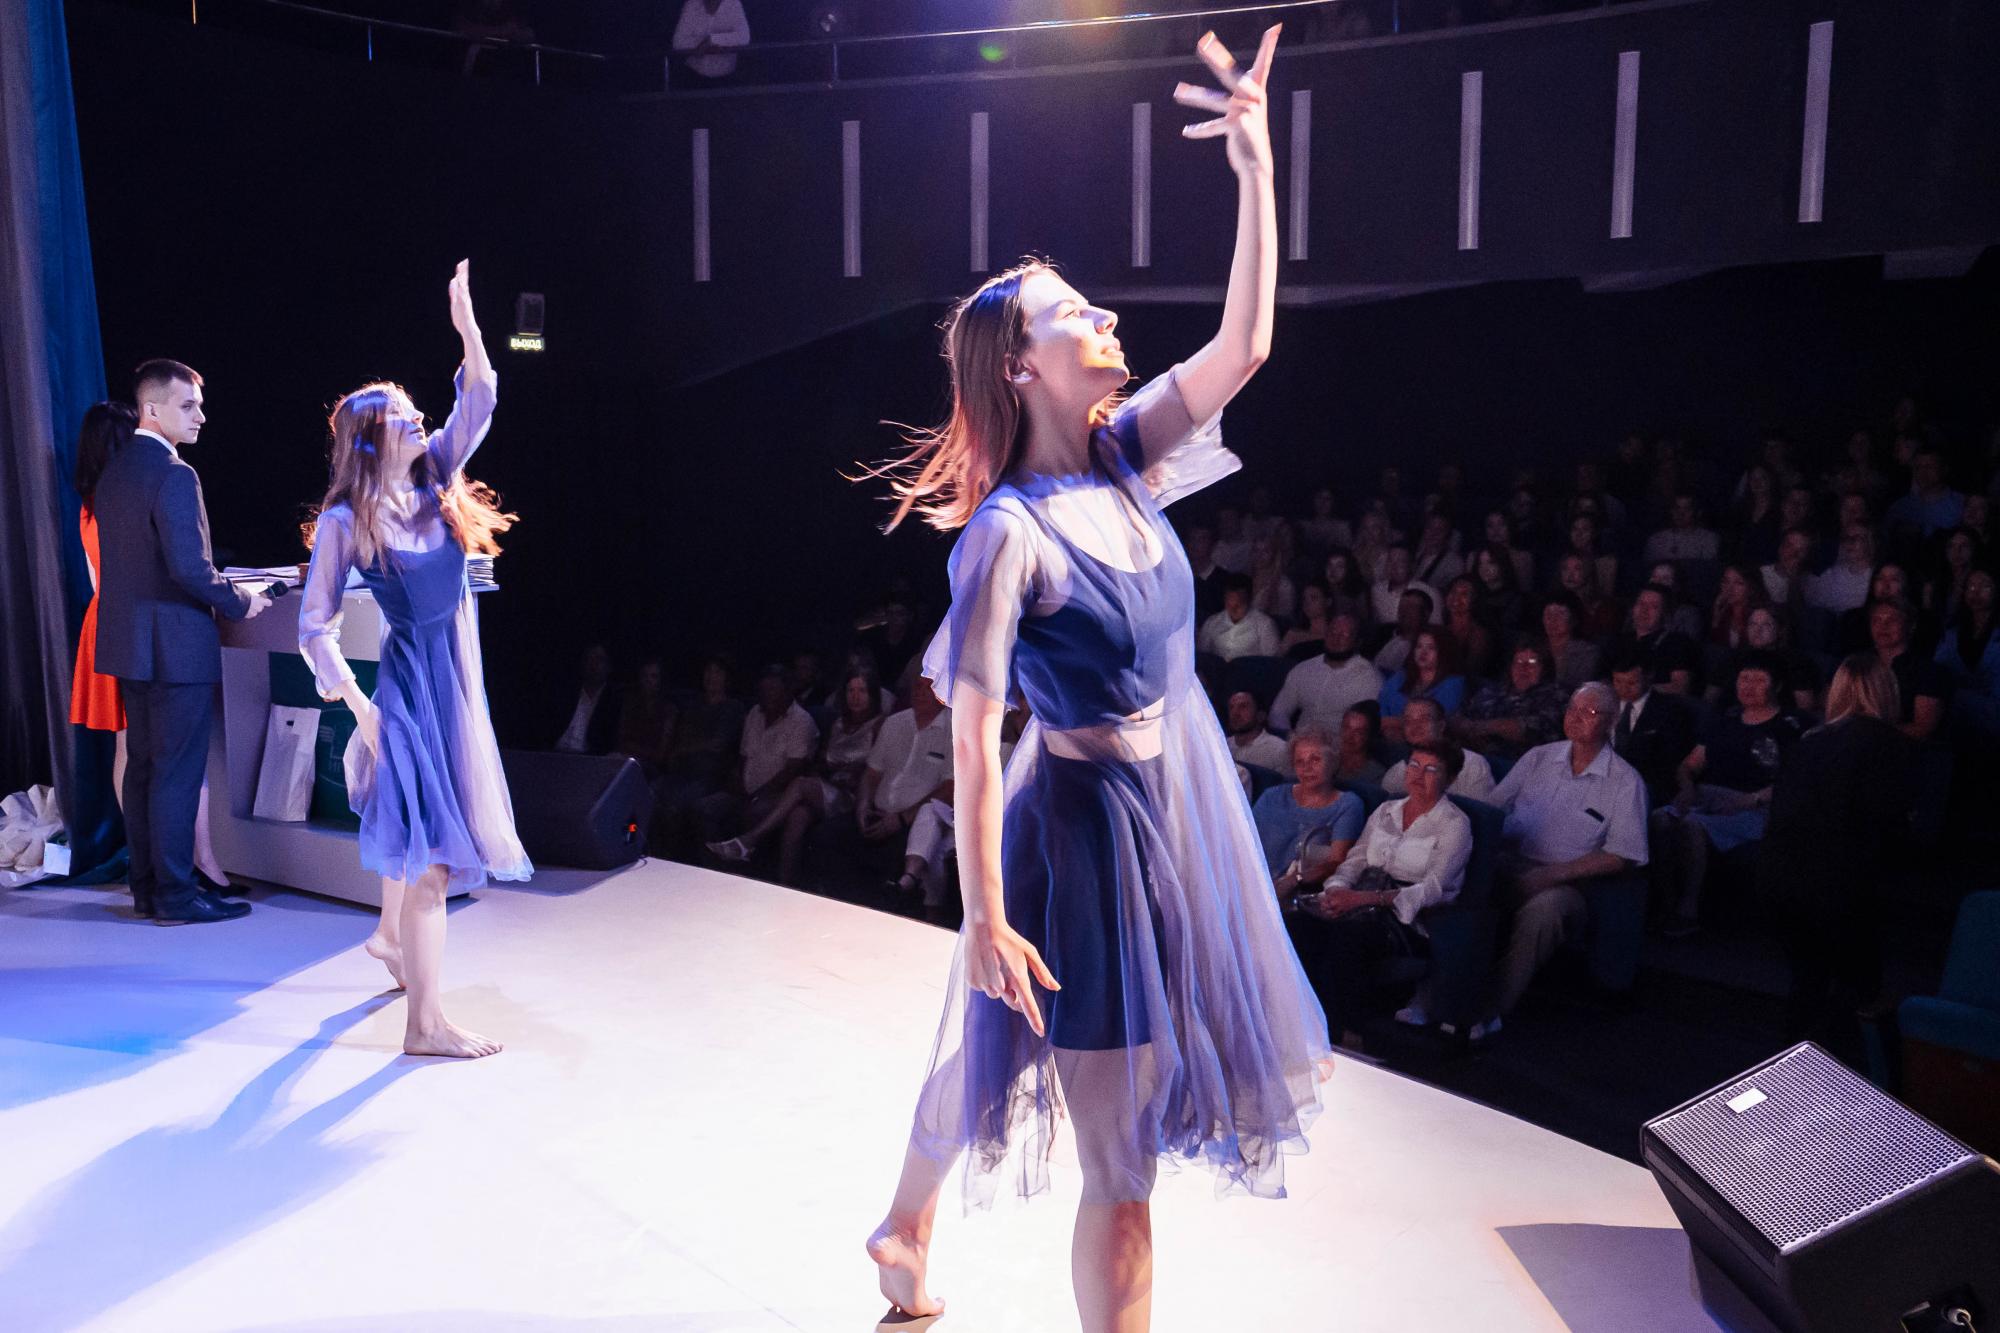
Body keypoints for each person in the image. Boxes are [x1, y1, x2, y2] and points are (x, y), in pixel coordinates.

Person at [863, 32, 1329, 1331]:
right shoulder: (1005, 534)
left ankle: (901, 1223)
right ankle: (908, 1223)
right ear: (1022, 364)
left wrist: (1256, 164)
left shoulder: (1125, 454)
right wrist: (982, 911)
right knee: (1119, 1166)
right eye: (1077, 313)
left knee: (1012, 1048)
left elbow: (1245, 344)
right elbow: (970, 735)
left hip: (1171, 810)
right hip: (1078, 833)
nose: (1107, 318)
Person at [299, 261, 529, 1057]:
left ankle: (398, 952)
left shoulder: (436, 478)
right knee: (432, 862)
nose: (419, 420)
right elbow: (315, 627)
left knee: (429, 852)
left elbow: (481, 398)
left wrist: (468, 328)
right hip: (405, 693)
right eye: (403, 417)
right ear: (371, 440)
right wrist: (360, 707)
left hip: (455, 686)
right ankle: (425, 1023)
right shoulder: (345, 522)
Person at [95, 361, 272, 925]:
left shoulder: (114, 470)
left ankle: (149, 890)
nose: (201, 416)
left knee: (145, 769)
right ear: (152, 410)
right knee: (174, 773)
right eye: (188, 405)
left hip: (131, 645)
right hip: (175, 647)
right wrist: (242, 601)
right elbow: (190, 568)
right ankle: (175, 897)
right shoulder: (175, 473)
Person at [1759, 655, 1916, 1054]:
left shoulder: (1809, 742)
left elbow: (1782, 815)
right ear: (1886, 691)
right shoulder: (1890, 745)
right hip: (1845, 884)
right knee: (1854, 993)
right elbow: (1888, 825)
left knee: (1806, 985)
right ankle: (1847, 1077)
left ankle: (1794, 1072)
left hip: (1788, 880)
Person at [1478, 683, 1650, 1038]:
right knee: (1461, 885)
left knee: (1545, 912)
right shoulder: (1539, 757)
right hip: (1510, 860)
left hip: (1570, 881)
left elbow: (1623, 854)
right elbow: (1492, 810)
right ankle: (1438, 994)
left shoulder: (1625, 781)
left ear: (1611, 721)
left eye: (1589, 712)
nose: (1576, 717)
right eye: (1573, 708)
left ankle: (1489, 1008)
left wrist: (1552, 875)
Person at [1289, 737, 1474, 1041]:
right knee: (1299, 925)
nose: (1418, 775)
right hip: (1359, 899)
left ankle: (1345, 1033)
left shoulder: (1454, 824)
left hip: (1407, 919)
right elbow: (1357, 859)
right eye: (1413, 765)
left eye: (1431, 770)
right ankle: (1299, 1021)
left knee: (1347, 937)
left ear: (1449, 779)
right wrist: (1336, 889)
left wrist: (1360, 899)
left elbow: (1432, 889)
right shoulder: (1387, 810)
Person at [1651, 652, 1804, 937]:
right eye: (1744, 678)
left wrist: (1749, 800)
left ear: (1777, 685)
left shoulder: (1790, 725)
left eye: (1759, 680)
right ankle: (1665, 902)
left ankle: (1688, 910)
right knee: (1659, 820)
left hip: (1758, 805)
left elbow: (1797, 779)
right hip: (1709, 798)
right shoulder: (1725, 719)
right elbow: (1689, 765)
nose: (1749, 686)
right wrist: (1686, 788)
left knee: (1691, 826)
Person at [707, 666, 885, 882]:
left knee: (801, 784)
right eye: (851, 690)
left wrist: (851, 772)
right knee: (797, 817)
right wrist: (829, 769)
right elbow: (823, 760)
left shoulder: (880, 725)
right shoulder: (838, 724)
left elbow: (876, 769)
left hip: (853, 796)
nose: (855, 697)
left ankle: (748, 841)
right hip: (826, 788)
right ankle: (785, 884)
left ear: (872, 694)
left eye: (862, 691)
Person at [696, 665, 821, 847]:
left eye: (773, 689)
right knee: (704, 809)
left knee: (753, 812)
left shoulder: (801, 721)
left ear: (787, 691)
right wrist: (738, 779)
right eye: (764, 690)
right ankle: (715, 860)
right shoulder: (755, 713)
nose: (768, 695)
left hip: (775, 796)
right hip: (743, 791)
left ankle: (743, 859)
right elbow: (744, 755)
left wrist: (757, 795)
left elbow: (793, 770)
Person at [1250, 725, 1363, 896]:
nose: (1306, 768)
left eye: (1315, 760)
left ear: (1333, 762)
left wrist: (1294, 880)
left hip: (1298, 894)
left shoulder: (1348, 805)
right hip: (1252, 883)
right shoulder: (1271, 796)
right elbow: (1244, 842)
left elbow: (1336, 862)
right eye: (1299, 762)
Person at [1268, 611, 1382, 737]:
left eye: (1344, 635)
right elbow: (1279, 711)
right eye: (1332, 632)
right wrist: (1288, 736)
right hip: (1299, 740)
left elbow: (1364, 728)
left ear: (1357, 642)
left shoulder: (1369, 677)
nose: (1336, 639)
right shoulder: (1304, 669)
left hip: (1340, 743)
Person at [1607, 651, 1697, 808]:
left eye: (1631, 683)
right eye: (1618, 681)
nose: (1623, 689)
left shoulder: (1669, 710)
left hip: (1644, 784)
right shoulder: (1606, 704)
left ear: (1648, 678)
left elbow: (1671, 760)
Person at [1454, 640, 1567, 764]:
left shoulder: (1555, 694)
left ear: (1545, 668)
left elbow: (1532, 729)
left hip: (1522, 764)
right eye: (1518, 662)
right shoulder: (1492, 691)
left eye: (1532, 662)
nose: (1523, 668)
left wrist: (1481, 728)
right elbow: (1457, 718)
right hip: (1475, 758)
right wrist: (1470, 731)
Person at [1382, 696, 1494, 799]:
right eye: (1408, 721)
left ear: (1441, 726)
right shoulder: (1396, 774)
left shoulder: (1472, 764)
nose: (1415, 726)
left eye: (1424, 719)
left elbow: (1480, 812)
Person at [1868, 597, 1947, 741]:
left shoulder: (1928, 671)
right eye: (1876, 620)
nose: (1883, 626)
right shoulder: (1860, 665)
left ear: (1910, 626)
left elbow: (1922, 729)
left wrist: (1870, 730)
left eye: (1892, 620)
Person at [1935, 567, 2000, 741]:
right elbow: (1938, 671)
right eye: (1971, 586)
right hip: (1954, 725)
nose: (1976, 592)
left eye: (1984, 586)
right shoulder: (1951, 633)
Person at [1378, 628, 1465, 744]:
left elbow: (1436, 720)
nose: (1423, 652)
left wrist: (1390, 723)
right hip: (1387, 739)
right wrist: (1388, 731)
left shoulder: (1454, 683)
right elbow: (1381, 708)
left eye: (1431, 648)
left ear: (1444, 652)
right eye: (1419, 646)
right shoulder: (1400, 677)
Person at [553, 642, 621, 754]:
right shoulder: (566, 693)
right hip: (556, 753)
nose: (593, 664)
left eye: (599, 659)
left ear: (609, 667)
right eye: (589, 659)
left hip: (589, 758)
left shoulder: (613, 700)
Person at [1196, 572, 1280, 660]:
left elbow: (1271, 660)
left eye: (1239, 605)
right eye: (1229, 603)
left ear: (1249, 600)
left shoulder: (1264, 624)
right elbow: (1203, 654)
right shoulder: (1212, 622)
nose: (1234, 609)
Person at [1538, 591, 1602, 690]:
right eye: (1548, 614)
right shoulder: (1535, 648)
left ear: (1573, 619)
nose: (1553, 620)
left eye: (1560, 614)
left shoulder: (1587, 652)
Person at [671, 0, 750, 79]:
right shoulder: (691, 4)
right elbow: (678, 42)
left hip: (727, 78)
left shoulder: (733, 3)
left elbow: (744, 36)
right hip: (693, 75)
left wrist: (712, 40)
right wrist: (704, 44)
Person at [1224, 689, 1292, 776]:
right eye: (1231, 707)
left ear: (1261, 715)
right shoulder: (1222, 746)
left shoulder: (1279, 750)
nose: (1235, 713)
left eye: (1243, 707)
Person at [1335, 703, 1386, 784]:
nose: (1349, 736)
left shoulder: (1376, 774)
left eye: (1359, 732)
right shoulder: (1326, 763)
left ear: (1370, 736)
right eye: (1346, 728)